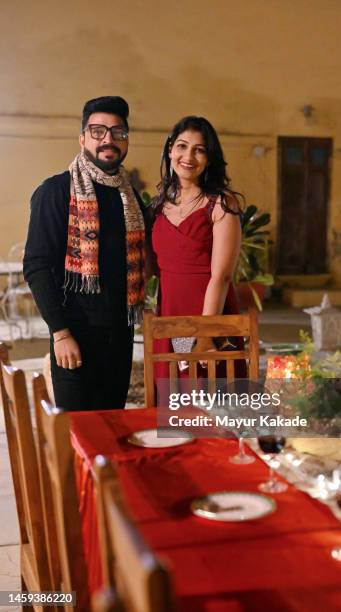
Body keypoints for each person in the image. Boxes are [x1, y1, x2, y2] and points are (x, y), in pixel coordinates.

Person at [23, 96, 145, 411]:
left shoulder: (131, 200)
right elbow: (37, 266)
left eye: (118, 132)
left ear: (126, 141)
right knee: (78, 432)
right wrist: (60, 333)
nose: (109, 139)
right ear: (82, 138)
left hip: (120, 336)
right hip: (74, 334)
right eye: (98, 131)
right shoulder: (56, 191)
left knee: (113, 428)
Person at [151, 115, 244, 382]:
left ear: (209, 158)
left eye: (199, 149)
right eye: (182, 146)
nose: (188, 156)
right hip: (170, 314)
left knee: (212, 403)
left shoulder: (221, 204)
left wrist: (205, 335)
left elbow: (222, 276)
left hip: (209, 315)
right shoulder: (157, 207)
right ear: (170, 150)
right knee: (172, 404)